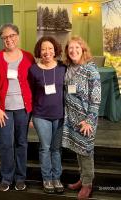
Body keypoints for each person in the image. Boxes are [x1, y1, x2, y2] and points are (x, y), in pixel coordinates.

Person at [0, 23, 34, 191]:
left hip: (23, 109)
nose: (9, 39)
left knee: (21, 143)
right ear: (2, 39)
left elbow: (34, 85)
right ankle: (7, 177)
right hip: (3, 111)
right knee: (6, 144)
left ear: (18, 36)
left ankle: (21, 178)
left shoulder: (28, 57)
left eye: (12, 35)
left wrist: (32, 111)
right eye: (5, 37)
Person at [62, 36, 101, 199]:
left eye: (77, 48)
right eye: (70, 48)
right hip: (71, 118)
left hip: (86, 120)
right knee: (78, 151)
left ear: (83, 49)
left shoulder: (90, 69)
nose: (73, 51)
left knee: (86, 152)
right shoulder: (68, 68)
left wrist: (89, 120)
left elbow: (96, 97)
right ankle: (82, 178)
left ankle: (87, 185)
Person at [28, 36, 66, 194]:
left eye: (50, 48)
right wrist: (30, 116)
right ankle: (47, 179)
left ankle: (57, 178)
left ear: (55, 50)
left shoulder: (63, 68)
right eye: (43, 49)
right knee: (45, 148)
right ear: (39, 51)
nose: (47, 52)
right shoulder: (33, 69)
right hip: (40, 115)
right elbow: (30, 93)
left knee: (56, 149)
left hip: (60, 115)